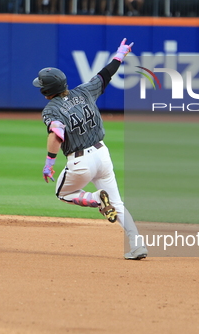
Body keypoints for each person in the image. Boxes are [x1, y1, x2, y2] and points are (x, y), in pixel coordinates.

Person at [36, 38, 148, 261]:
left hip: (80, 163)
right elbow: (105, 74)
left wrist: (49, 163)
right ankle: (138, 245)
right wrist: (120, 54)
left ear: (47, 91)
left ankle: (96, 199)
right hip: (102, 155)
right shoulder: (84, 91)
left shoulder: (51, 110)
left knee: (63, 193)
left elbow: (56, 135)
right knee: (118, 204)